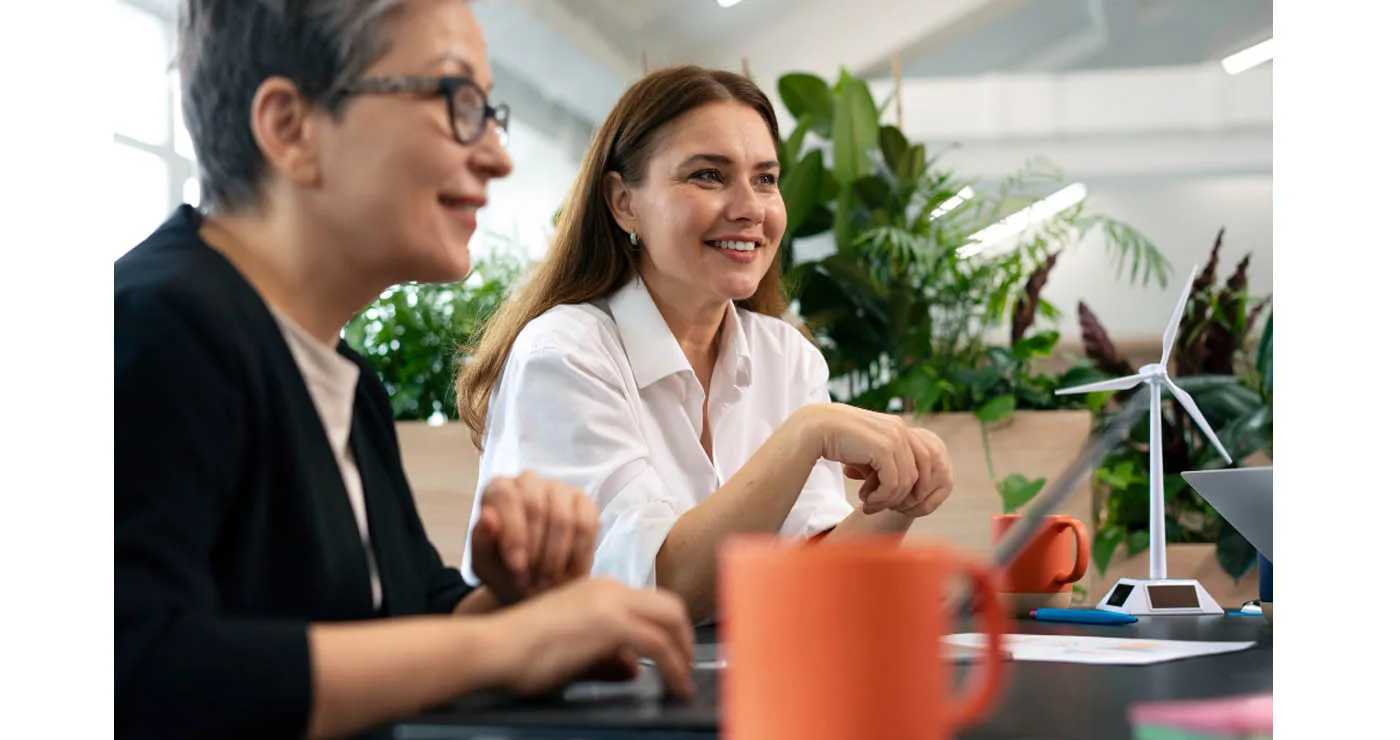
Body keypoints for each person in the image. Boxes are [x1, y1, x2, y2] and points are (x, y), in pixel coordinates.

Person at [115, 2, 695, 738]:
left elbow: (410, 619)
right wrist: (503, 645)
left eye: (489, 112)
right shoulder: (150, 326)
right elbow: (131, 670)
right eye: (456, 101)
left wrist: (519, 599)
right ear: (291, 128)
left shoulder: (344, 380)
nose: (498, 157)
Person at [456, 65, 956, 624]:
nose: (750, 207)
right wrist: (805, 435)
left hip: (733, 674)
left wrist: (898, 499)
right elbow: (659, 588)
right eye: (708, 176)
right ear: (624, 202)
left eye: (765, 179)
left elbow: (811, 582)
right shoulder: (564, 355)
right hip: (585, 678)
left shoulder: (787, 357)